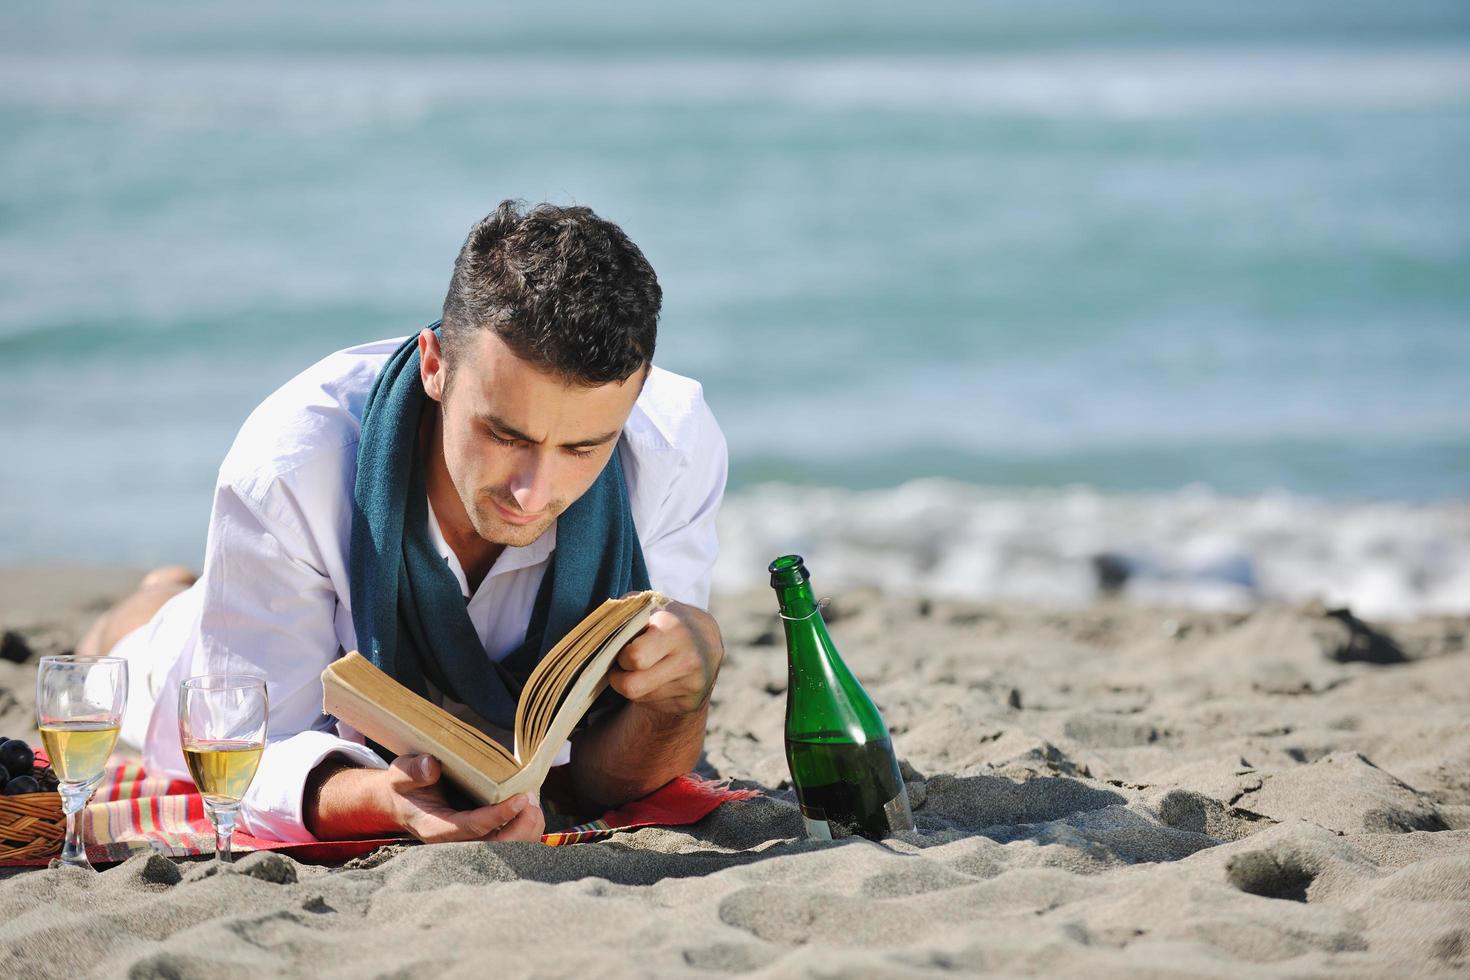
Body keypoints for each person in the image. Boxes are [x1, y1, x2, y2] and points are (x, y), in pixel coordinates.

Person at [81, 201, 728, 846]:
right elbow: (245, 759)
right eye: (505, 434)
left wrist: (679, 699)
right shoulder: (293, 464)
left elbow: (609, 775)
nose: (534, 492)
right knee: (135, 649)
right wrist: (387, 802)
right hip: (198, 658)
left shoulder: (673, 447)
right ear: (434, 364)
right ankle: (151, 601)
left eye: (583, 449)